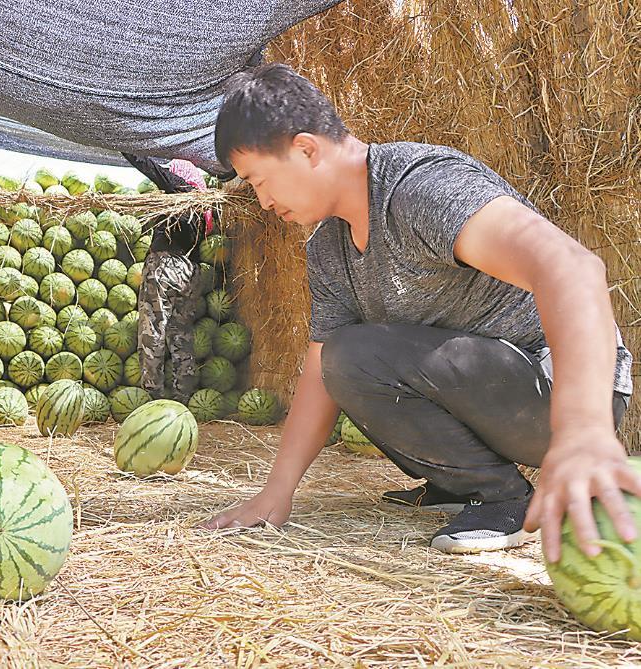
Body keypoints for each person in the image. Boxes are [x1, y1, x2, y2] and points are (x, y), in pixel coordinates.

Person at [203, 64, 634, 560]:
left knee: (355, 354)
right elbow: (323, 372)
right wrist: (277, 491)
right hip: (489, 398)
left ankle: (501, 498)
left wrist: (583, 430)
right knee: (345, 361)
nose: (262, 200)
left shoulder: (420, 188)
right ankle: (459, 482)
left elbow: (574, 268)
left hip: (559, 395)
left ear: (305, 148)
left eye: (259, 180)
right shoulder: (327, 249)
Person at [123, 154, 213, 403]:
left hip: (165, 266)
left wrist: (124, 147)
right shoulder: (206, 206)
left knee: (153, 328)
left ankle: (153, 395)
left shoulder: (183, 190)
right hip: (191, 271)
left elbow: (152, 168)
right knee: (180, 332)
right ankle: (184, 395)